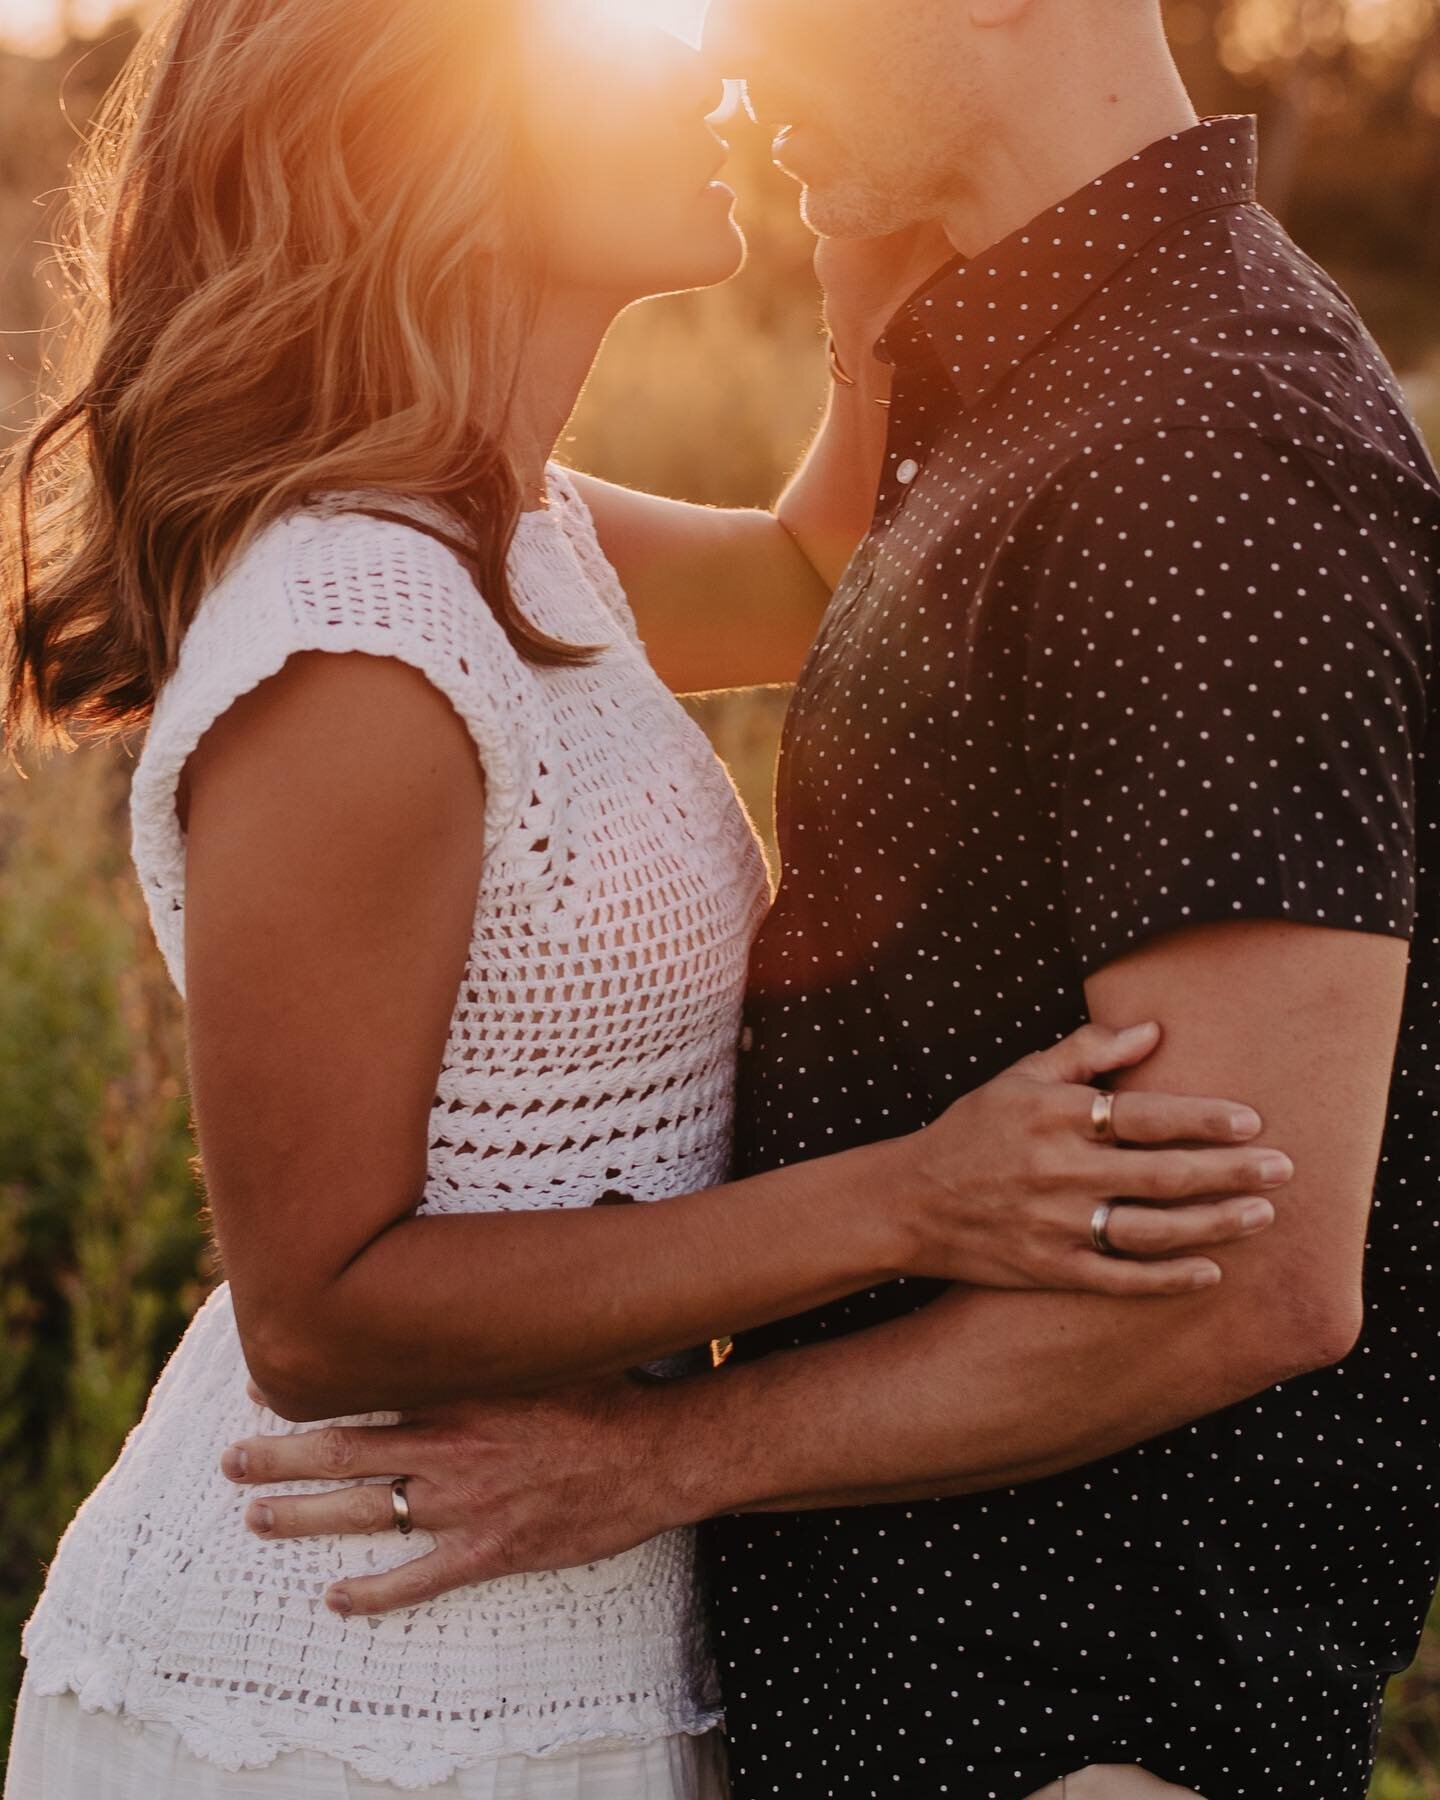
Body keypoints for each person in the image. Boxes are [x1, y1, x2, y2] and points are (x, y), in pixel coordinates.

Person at [0, 1, 1288, 1797]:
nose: (706, 68)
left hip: (568, 1619)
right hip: (333, 1693)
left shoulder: (510, 526)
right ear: (433, 143)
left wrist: (865, 275)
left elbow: (814, 574)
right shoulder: (359, 637)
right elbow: (319, 1314)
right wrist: (914, 1200)